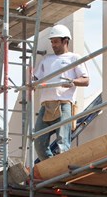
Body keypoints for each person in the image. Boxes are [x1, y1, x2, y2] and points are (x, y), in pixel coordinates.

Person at [33, 24, 89, 161]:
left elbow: (86, 80)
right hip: (46, 105)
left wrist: (72, 81)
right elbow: (35, 79)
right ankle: (51, 164)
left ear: (65, 41)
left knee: (63, 142)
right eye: (52, 42)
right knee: (39, 142)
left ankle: (61, 166)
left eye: (56, 41)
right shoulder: (46, 60)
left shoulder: (74, 58)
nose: (53, 45)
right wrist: (31, 82)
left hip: (64, 103)